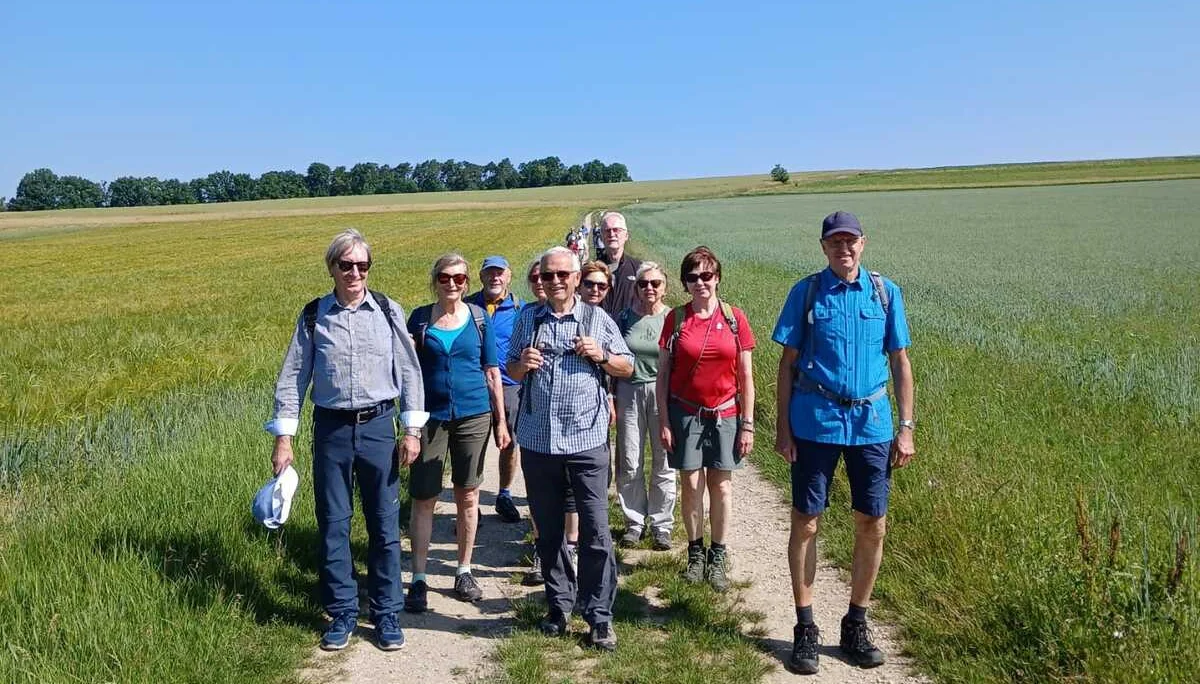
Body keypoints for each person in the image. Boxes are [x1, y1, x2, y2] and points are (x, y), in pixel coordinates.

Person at [266, 228, 426, 652]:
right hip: (332, 431)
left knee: (383, 525)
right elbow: (292, 379)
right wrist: (284, 437)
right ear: (332, 268)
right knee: (334, 526)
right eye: (346, 264)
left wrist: (411, 430)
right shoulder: (314, 315)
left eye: (362, 265)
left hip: (379, 427)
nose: (355, 272)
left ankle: (387, 612)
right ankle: (341, 613)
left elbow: (410, 373)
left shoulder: (389, 311)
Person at [772, 211, 914, 674]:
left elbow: (900, 362)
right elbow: (787, 365)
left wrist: (906, 426)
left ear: (863, 244)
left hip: (872, 425)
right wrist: (782, 428)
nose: (844, 249)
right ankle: (805, 626)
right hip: (815, 423)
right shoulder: (806, 292)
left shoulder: (885, 292)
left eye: (850, 242)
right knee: (806, 520)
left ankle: (856, 622)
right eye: (835, 243)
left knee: (872, 522)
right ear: (823, 248)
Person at [507, 246, 634, 651]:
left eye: (563, 274)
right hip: (538, 440)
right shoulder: (528, 318)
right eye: (548, 276)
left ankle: (598, 616)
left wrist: (603, 356)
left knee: (596, 531)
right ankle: (558, 606)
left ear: (577, 278)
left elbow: (628, 366)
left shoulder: (598, 319)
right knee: (548, 532)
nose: (555, 281)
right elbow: (509, 368)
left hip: (586, 439)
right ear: (540, 280)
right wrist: (521, 364)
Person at [404, 254, 511, 612]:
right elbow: (407, 372)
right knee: (425, 497)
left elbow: (492, 371)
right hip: (430, 418)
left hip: (473, 415)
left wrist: (500, 421)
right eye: (446, 278)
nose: (453, 284)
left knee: (468, 495)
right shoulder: (419, 319)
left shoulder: (479, 319)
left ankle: (463, 571)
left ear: (467, 283)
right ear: (434, 281)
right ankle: (418, 579)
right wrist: (409, 425)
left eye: (460, 279)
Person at [656, 246, 755, 593]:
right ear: (685, 283)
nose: (701, 282)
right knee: (691, 485)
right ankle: (695, 553)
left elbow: (746, 375)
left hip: (726, 413)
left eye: (707, 275)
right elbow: (663, 376)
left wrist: (748, 423)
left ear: (717, 278)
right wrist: (665, 421)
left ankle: (718, 555)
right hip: (685, 413)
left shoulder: (734, 318)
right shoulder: (676, 320)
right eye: (693, 277)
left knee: (722, 486)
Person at [613, 262, 674, 551]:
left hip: (664, 394)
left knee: (664, 460)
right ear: (635, 288)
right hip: (629, 391)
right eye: (643, 283)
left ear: (665, 287)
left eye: (655, 283)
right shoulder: (623, 318)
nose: (649, 288)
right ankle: (634, 523)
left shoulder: (673, 318)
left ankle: (662, 525)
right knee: (630, 459)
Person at [465, 256, 525, 524]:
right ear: (481, 277)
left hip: (510, 385)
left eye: (500, 273)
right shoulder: (467, 307)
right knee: (471, 445)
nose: (495, 278)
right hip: (475, 386)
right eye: (490, 273)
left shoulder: (520, 309)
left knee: (509, 443)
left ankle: (504, 494)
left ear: (509, 277)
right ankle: (470, 502)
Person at [595, 211, 642, 317]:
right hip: (599, 330)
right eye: (607, 231)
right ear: (601, 237)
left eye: (616, 230)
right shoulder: (592, 269)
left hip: (628, 330)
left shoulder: (639, 269)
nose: (612, 234)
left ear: (626, 235)